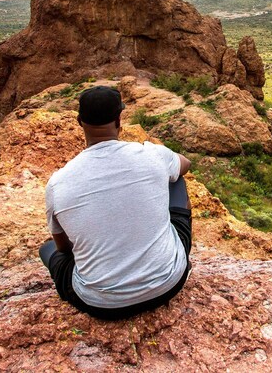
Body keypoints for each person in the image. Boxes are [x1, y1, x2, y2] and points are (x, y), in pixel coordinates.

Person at [38, 85, 193, 320]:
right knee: (176, 178)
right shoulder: (151, 154)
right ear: (119, 120)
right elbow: (185, 163)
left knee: (47, 250)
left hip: (100, 305)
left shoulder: (58, 183)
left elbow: (64, 249)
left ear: (80, 121)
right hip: (169, 282)